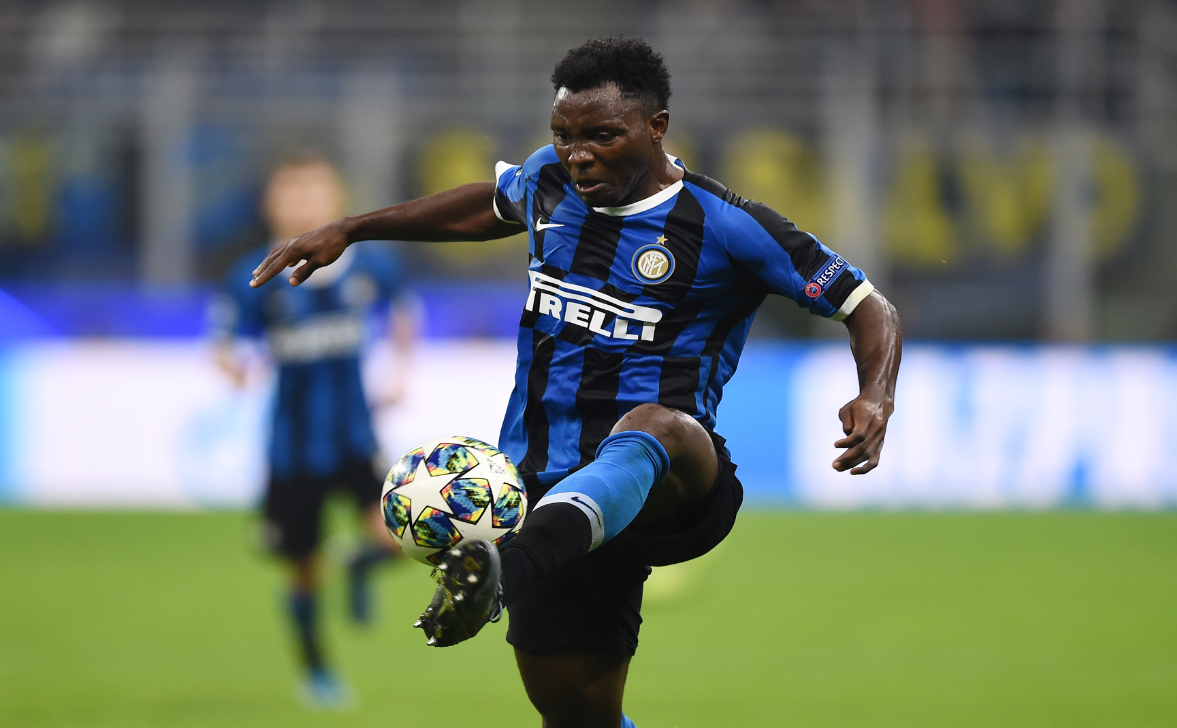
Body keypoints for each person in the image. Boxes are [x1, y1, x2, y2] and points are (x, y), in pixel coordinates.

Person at [249, 38, 902, 728]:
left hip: (672, 485)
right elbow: (488, 205)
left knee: (654, 424)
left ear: (656, 127)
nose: (577, 154)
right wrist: (353, 230)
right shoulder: (548, 180)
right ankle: (508, 571)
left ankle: (496, 577)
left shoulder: (727, 226)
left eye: (601, 136)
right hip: (542, 488)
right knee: (576, 718)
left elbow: (867, 305)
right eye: (563, 135)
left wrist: (876, 394)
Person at [210, 154, 413, 709]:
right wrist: (232, 367)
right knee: (303, 569)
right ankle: (318, 672)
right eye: (292, 192)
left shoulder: (371, 264)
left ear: (337, 198)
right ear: (270, 204)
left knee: (403, 537)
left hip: (356, 436)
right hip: (292, 445)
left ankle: (359, 563)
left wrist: (401, 368)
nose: (303, 203)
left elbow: (404, 311)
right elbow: (223, 339)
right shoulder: (254, 272)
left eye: (315, 191)